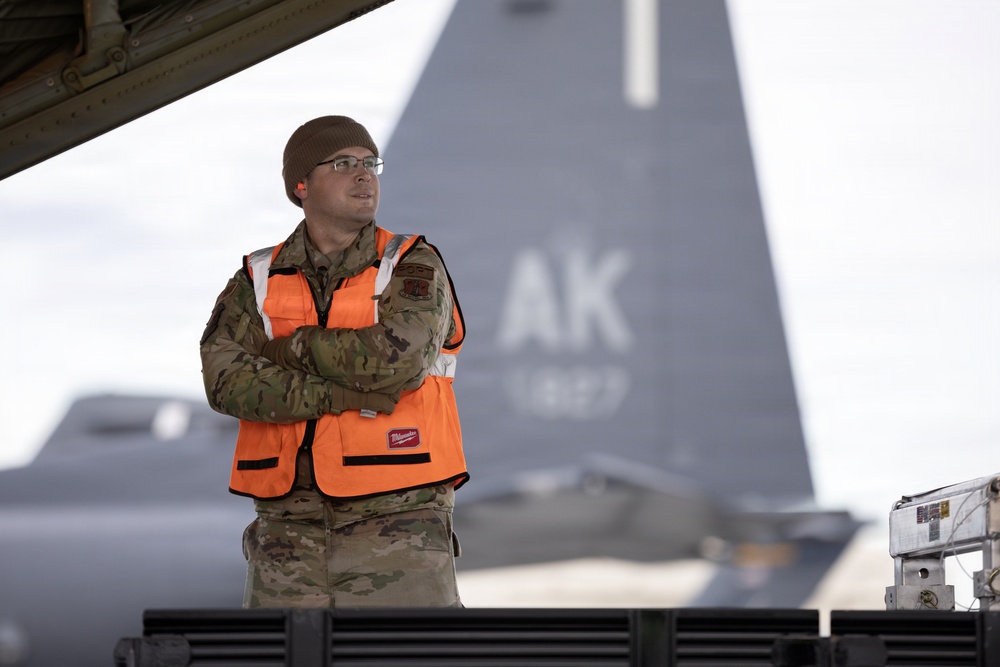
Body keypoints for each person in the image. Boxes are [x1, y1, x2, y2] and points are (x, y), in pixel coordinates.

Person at [199, 115, 469, 608]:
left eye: (371, 163)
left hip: (398, 527)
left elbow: (395, 363)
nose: (365, 175)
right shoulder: (256, 277)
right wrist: (338, 394)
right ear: (301, 185)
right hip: (285, 534)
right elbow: (226, 382)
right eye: (344, 163)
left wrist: (290, 348)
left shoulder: (411, 263)